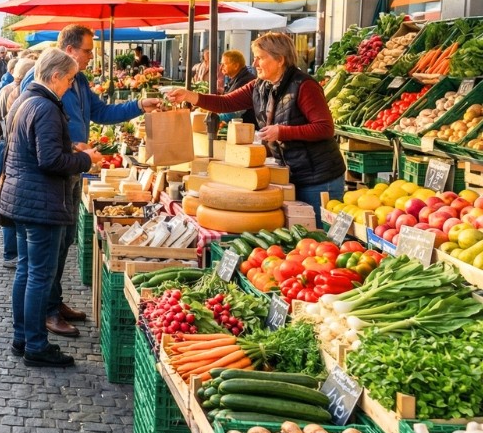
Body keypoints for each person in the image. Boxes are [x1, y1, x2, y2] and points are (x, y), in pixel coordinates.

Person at [22, 26, 161, 337]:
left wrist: (139, 106)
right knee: (50, 249)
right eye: (87, 50)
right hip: (54, 174)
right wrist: (73, 148)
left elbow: (101, 112)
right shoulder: (41, 80)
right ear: (70, 51)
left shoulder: (80, 81)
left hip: (73, 170)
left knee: (65, 240)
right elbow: (35, 133)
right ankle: (44, 315)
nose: (91, 55)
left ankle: (54, 302)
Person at [166, 32, 345, 221]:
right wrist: (190, 96)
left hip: (319, 177)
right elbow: (226, 103)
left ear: (280, 60)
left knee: (318, 232)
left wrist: (281, 131)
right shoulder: (259, 86)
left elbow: (325, 127)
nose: (254, 63)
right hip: (289, 176)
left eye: (260, 58)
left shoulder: (304, 86)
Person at [0, 48, 102, 368]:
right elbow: (49, 160)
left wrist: (70, 147)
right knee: (39, 276)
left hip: (22, 198)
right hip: (40, 202)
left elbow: (37, 148)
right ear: (55, 76)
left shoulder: (26, 99)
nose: (71, 86)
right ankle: (36, 345)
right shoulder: (45, 106)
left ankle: (22, 337)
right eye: (69, 79)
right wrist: (84, 159)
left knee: (27, 271)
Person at [0, 56, 37, 270]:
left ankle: (10, 253)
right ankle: (15, 252)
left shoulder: (3, 90)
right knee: (12, 202)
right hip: (11, 147)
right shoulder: (22, 94)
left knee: (6, 198)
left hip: (1, 146)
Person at [218, 50, 257, 123]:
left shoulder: (246, 81)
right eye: (221, 64)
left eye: (224, 64)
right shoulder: (235, 80)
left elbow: (235, 112)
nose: (221, 67)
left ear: (236, 66)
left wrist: (216, 118)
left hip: (245, 126)